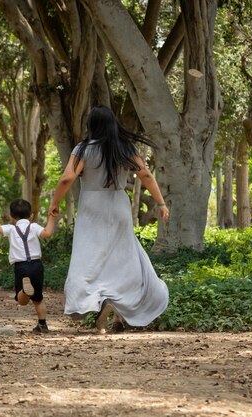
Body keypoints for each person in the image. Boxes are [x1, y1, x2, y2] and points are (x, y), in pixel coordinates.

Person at [48, 106, 170, 334]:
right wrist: (161, 203)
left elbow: (67, 178)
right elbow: (146, 174)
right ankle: (117, 312)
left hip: (91, 209)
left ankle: (99, 302)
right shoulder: (124, 147)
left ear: (91, 126)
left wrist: (54, 203)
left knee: (89, 258)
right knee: (122, 261)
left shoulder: (83, 149)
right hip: (118, 206)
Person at [0, 199, 56, 333]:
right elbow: (47, 234)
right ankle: (43, 324)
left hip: (21, 267)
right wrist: (51, 217)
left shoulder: (11, 229)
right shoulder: (34, 227)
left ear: (12, 216)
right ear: (31, 215)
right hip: (37, 265)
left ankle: (24, 291)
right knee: (38, 298)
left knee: (22, 300)